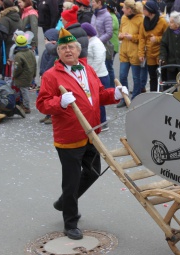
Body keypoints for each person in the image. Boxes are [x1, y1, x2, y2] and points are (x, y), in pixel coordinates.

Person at [36, 28, 127, 240]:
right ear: (58, 52)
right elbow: (42, 104)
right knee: (71, 179)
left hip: (91, 132)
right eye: (63, 48)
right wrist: (60, 102)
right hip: (69, 136)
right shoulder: (51, 75)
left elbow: (98, 95)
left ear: (78, 50)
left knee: (94, 172)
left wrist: (114, 94)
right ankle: (70, 222)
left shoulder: (87, 69)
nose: (68, 51)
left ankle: (65, 201)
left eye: (71, 47)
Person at [81, 22, 110, 131]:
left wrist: (91, 73)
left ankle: (103, 123)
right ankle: (97, 121)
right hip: (95, 74)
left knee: (98, 100)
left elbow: (98, 59)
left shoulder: (96, 43)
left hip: (99, 75)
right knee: (93, 100)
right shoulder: (90, 42)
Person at [117, 0, 145, 107]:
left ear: (129, 9)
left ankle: (134, 100)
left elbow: (142, 37)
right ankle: (124, 98)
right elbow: (120, 31)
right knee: (122, 76)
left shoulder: (140, 19)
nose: (122, 9)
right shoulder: (123, 18)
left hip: (135, 52)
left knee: (136, 78)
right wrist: (120, 35)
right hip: (124, 51)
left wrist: (132, 37)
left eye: (124, 8)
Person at [139, 0, 168, 92]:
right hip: (150, 54)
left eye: (144, 9)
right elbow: (142, 38)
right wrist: (141, 53)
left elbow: (168, 37)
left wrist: (157, 39)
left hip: (161, 54)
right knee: (152, 77)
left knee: (163, 77)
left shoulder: (162, 21)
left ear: (150, 10)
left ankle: (165, 96)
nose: (143, 10)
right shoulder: (144, 22)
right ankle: (153, 95)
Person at [38, 28, 59, 124]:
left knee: (51, 95)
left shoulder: (52, 50)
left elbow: (50, 63)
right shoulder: (48, 49)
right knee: (47, 95)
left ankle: (52, 115)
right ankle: (48, 114)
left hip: (48, 76)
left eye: (46, 38)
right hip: (44, 73)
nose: (44, 40)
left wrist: (44, 74)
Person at [13, 34, 37, 114]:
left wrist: (14, 75)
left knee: (24, 91)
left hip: (22, 76)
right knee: (24, 90)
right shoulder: (30, 52)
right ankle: (23, 104)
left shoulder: (18, 55)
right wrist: (34, 74)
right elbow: (34, 63)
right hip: (30, 74)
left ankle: (26, 106)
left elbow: (17, 68)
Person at [106, 0, 120, 88]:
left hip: (111, 46)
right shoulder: (110, 16)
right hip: (110, 45)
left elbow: (108, 29)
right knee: (108, 66)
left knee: (109, 67)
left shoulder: (111, 17)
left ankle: (111, 86)